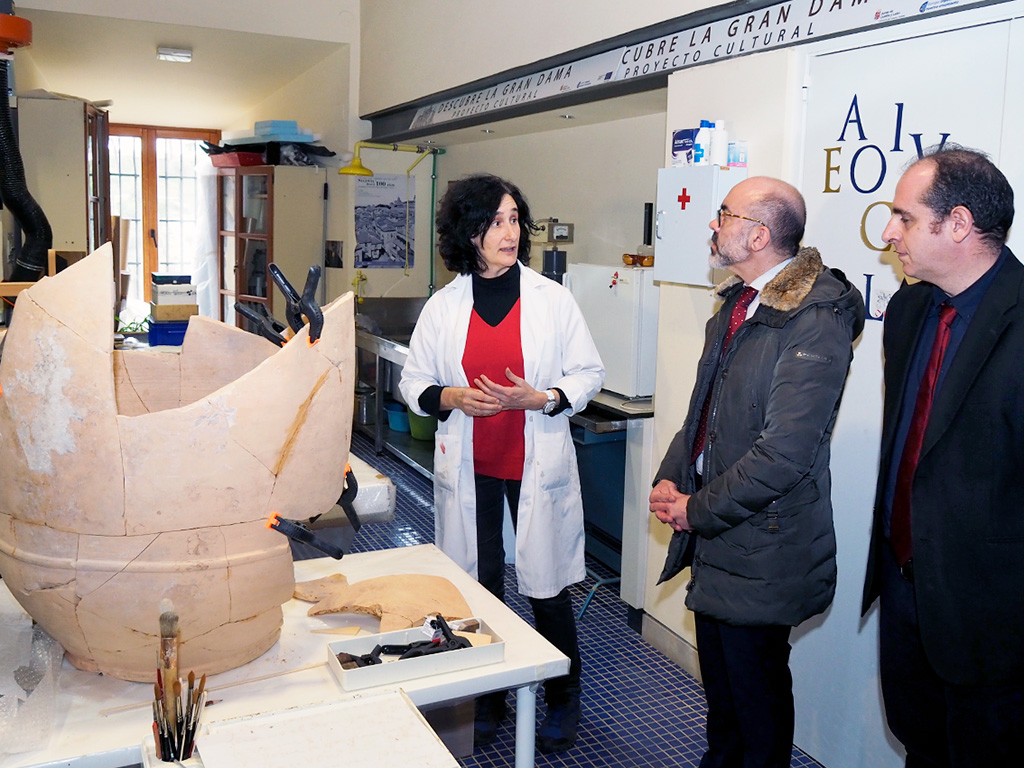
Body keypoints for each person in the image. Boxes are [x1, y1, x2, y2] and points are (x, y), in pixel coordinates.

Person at [650, 176, 864, 768]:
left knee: (756, 703)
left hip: (765, 545)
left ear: (759, 234)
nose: (713, 226)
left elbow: (785, 454)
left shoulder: (814, 317)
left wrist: (696, 508)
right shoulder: (736, 304)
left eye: (723, 215)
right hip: (723, 535)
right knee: (723, 698)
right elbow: (704, 414)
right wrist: (673, 477)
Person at [400, 173, 604, 753]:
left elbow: (588, 372)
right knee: (480, 586)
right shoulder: (444, 307)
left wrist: (542, 397)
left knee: (546, 588)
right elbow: (414, 382)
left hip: (534, 462)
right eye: (494, 222)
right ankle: (487, 698)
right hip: (471, 467)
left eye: (514, 219)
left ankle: (564, 698)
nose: (507, 232)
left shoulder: (551, 299)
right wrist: (454, 397)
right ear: (468, 233)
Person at [862, 146, 1023, 767]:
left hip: (995, 619)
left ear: (957, 224)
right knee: (921, 746)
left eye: (903, 217)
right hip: (906, 593)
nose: (888, 232)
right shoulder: (907, 310)